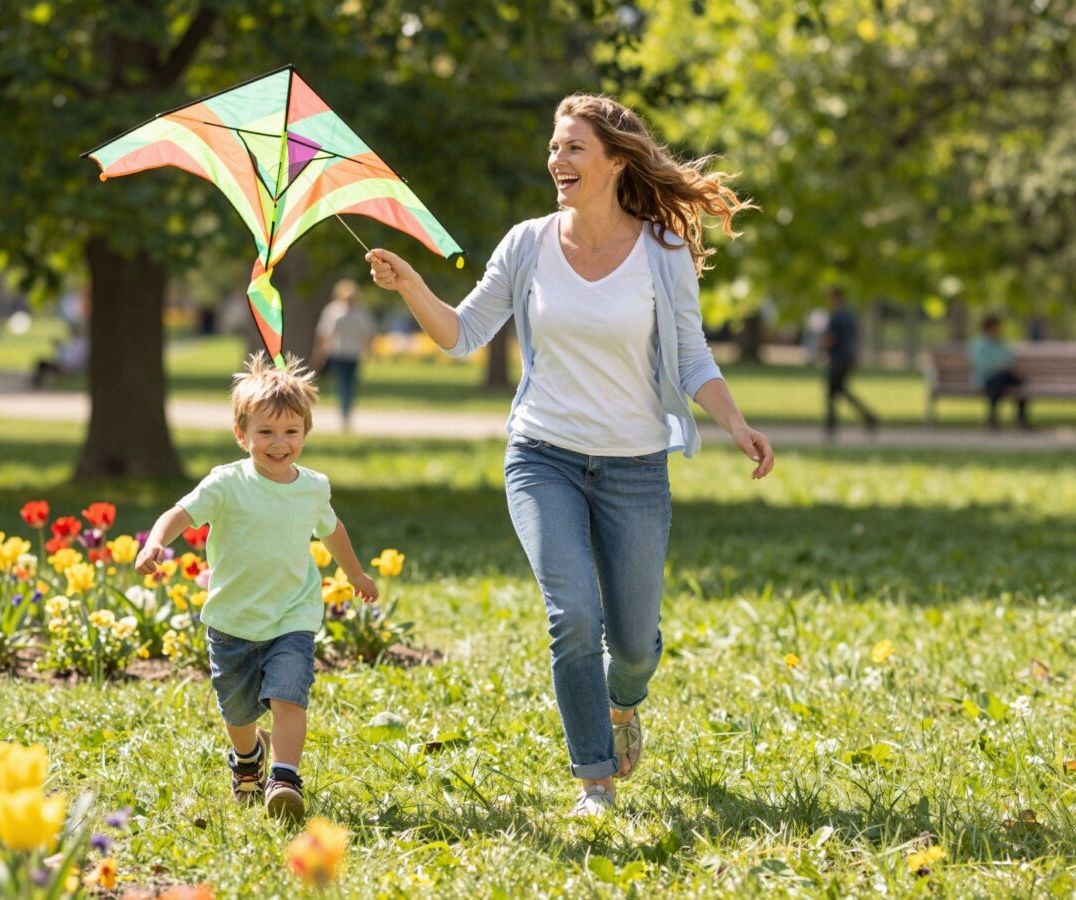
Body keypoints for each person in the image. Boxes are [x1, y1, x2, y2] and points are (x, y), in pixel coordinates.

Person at [364, 93, 774, 817]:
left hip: (635, 466)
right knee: (573, 615)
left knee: (638, 647)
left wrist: (737, 423)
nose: (557, 161)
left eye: (574, 148)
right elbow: (462, 335)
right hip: (542, 456)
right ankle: (595, 779)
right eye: (554, 148)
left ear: (616, 161)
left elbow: (691, 356)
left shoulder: (662, 251)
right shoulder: (527, 244)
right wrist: (413, 285)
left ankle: (623, 702)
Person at [135, 352, 378, 821]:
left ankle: (285, 778)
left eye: (291, 432)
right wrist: (155, 543)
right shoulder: (226, 484)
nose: (279, 442)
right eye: (265, 432)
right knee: (239, 711)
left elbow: (332, 531)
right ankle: (247, 761)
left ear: (306, 433)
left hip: (293, 616)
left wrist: (354, 574)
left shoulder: (313, 487)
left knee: (290, 695)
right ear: (241, 434)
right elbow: (178, 515)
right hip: (233, 621)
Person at [312, 279, 376, 431]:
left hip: (348, 353)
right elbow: (325, 335)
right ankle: (345, 413)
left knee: (346, 384)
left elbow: (325, 334)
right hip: (343, 353)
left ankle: (345, 412)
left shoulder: (348, 311)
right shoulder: (342, 311)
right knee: (345, 384)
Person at [822, 287, 877, 438]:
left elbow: (830, 338)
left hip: (838, 358)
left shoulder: (838, 316)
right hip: (848, 358)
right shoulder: (849, 315)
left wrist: (821, 349)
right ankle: (868, 417)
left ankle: (831, 425)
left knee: (832, 392)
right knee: (840, 391)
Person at [969, 313, 1031, 430]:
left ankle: (1020, 418)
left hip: (1004, 375)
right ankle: (992, 418)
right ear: (988, 328)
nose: (998, 330)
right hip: (987, 377)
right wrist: (997, 366)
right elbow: (980, 364)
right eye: (996, 327)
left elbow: (1010, 358)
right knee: (996, 382)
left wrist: (1005, 366)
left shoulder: (1002, 343)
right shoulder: (980, 344)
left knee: (1020, 382)